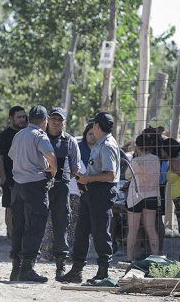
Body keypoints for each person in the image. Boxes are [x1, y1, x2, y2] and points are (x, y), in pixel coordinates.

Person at [58, 112, 120, 283]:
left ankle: (103, 272)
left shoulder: (107, 145)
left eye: (94, 125)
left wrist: (87, 179)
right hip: (91, 191)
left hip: (102, 192)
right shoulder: (100, 144)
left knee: (101, 232)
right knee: (81, 231)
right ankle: (76, 270)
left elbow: (110, 175)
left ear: (97, 127)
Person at [8, 105, 57, 282]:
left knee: (19, 227)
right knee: (34, 227)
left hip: (18, 186)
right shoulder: (39, 136)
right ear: (44, 121)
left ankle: (16, 268)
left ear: (29, 119)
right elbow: (50, 155)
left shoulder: (19, 135)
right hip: (35, 186)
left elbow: (12, 156)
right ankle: (27, 268)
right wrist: (53, 169)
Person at [38, 107, 81, 280]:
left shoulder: (70, 141)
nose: (56, 123)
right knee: (36, 222)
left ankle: (60, 266)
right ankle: (29, 263)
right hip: (40, 185)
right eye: (53, 119)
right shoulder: (39, 137)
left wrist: (61, 179)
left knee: (61, 225)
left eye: (60, 120)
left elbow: (75, 167)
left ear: (64, 123)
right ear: (47, 120)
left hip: (61, 187)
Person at [124, 134, 161, 262]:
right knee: (151, 229)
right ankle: (156, 257)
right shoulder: (156, 159)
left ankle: (129, 258)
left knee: (133, 230)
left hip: (135, 197)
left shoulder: (135, 161)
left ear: (138, 146)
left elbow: (128, 176)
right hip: (152, 196)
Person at [0, 106, 27, 242]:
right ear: (11, 118)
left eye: (24, 117)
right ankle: (12, 234)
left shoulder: (28, 134)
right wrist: (3, 178)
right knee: (11, 207)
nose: (22, 120)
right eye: (19, 117)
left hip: (26, 177)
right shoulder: (3, 136)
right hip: (10, 177)